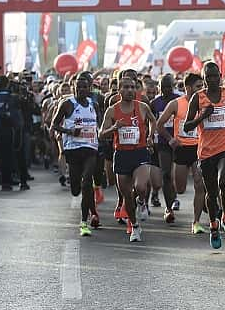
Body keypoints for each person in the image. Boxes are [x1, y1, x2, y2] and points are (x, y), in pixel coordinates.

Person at [184, 62, 225, 249]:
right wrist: (203, 116)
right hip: (206, 151)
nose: (212, 80)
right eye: (208, 77)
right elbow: (187, 127)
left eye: (215, 76)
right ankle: (213, 226)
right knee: (211, 193)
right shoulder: (198, 98)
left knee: (224, 180)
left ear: (220, 75)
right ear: (203, 79)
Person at [100, 76, 157, 242]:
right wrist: (114, 128)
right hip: (122, 155)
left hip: (140, 152)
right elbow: (101, 134)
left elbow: (153, 121)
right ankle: (135, 226)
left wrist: (150, 136)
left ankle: (142, 201)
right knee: (127, 196)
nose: (130, 90)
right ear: (119, 90)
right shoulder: (112, 110)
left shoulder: (142, 107)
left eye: (133, 87)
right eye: (126, 87)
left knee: (140, 187)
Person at [157, 73, 207, 232]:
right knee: (180, 189)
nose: (202, 89)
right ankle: (169, 207)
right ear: (188, 87)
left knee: (199, 184)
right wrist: (170, 139)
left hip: (199, 148)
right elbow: (159, 125)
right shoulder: (176, 104)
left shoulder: (206, 103)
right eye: (198, 86)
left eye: (202, 86)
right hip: (181, 149)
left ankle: (196, 222)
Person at [51, 76, 101, 236]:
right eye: (77, 87)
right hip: (73, 149)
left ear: (89, 89)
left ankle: (84, 222)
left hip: (91, 149)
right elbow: (54, 125)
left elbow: (98, 125)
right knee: (75, 189)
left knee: (87, 181)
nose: (80, 90)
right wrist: (70, 131)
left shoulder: (95, 105)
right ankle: (93, 211)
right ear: (74, 88)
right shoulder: (67, 104)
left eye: (84, 87)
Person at [150, 74, 179, 216]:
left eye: (169, 86)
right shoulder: (155, 103)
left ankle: (175, 196)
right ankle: (169, 208)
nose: (167, 89)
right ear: (159, 87)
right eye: (164, 87)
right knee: (166, 174)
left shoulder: (178, 101)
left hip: (179, 142)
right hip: (162, 142)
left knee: (176, 175)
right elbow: (151, 122)